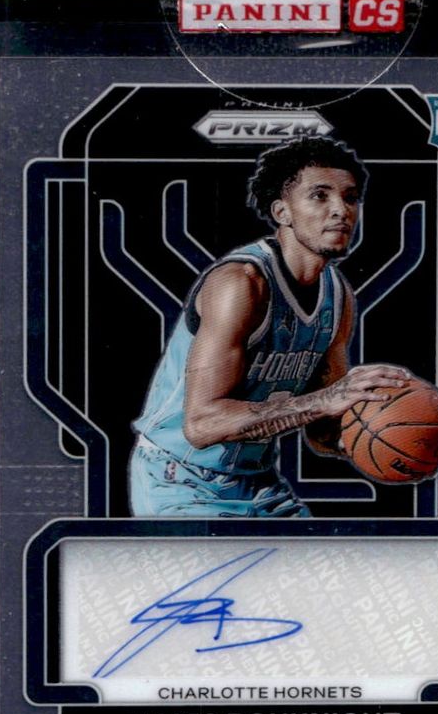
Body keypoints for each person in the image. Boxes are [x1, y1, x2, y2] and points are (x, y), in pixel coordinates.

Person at [129, 136, 409, 517]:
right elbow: (202, 425)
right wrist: (323, 401)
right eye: (320, 196)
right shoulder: (241, 283)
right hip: (180, 479)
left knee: (324, 557)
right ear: (282, 211)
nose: (340, 210)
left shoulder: (337, 296)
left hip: (257, 481)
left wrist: (396, 434)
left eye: (350, 197)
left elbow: (322, 431)